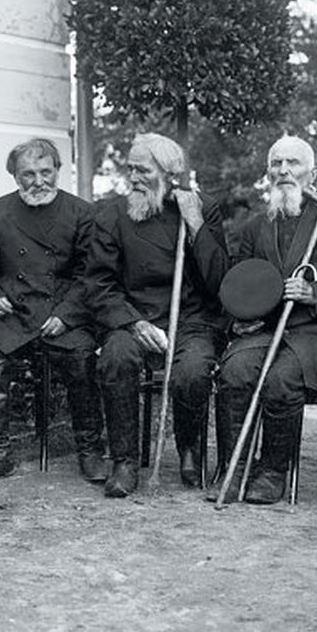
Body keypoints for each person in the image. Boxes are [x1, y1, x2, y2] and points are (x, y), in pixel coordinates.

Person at [215, 135, 317, 504]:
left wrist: (315, 293)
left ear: (312, 174)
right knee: (235, 370)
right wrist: (240, 319)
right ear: (268, 173)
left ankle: (273, 470)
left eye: (293, 163)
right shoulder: (256, 226)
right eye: (276, 163)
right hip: (268, 331)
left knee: (281, 378)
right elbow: (240, 287)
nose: (284, 170)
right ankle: (234, 467)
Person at [86, 133, 229, 498]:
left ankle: (189, 448)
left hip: (192, 321)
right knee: (116, 357)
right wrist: (133, 322)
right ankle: (124, 461)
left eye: (143, 170)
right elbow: (98, 285)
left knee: (193, 371)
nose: (133, 177)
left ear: (168, 173)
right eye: (130, 169)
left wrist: (195, 223)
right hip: (133, 318)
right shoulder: (112, 215)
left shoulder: (202, 207)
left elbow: (219, 281)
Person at [0, 138, 104, 483]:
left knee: (82, 357)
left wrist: (67, 315)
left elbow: (91, 274)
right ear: (15, 176)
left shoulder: (82, 213)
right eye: (28, 174)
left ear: (57, 171)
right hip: (12, 313)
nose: (38, 181)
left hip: (62, 312)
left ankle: (90, 449)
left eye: (46, 171)